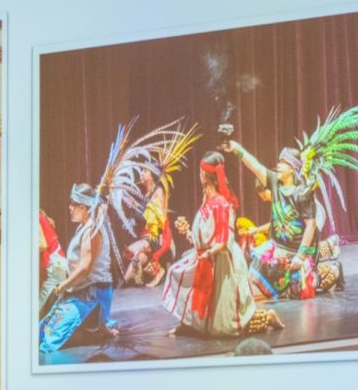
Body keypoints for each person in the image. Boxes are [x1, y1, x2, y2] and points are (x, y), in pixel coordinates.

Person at [162, 152, 282, 337]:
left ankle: (267, 318)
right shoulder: (207, 200)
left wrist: (209, 252)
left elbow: (224, 240)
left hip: (222, 263)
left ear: (204, 175)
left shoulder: (221, 203)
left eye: (200, 172)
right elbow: (207, 231)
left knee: (226, 325)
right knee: (182, 279)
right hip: (207, 257)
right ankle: (189, 326)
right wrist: (190, 234)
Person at [223, 140, 341, 297]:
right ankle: (327, 247)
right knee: (256, 276)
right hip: (278, 247)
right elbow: (255, 166)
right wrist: (237, 149)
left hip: (298, 251)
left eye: (282, 163)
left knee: (299, 290)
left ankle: (329, 270)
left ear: (292, 169)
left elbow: (311, 226)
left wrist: (300, 256)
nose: (278, 165)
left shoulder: (302, 193)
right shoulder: (274, 182)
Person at [38, 184, 118, 353]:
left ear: (83, 207)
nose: (69, 207)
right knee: (42, 330)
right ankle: (98, 325)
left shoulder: (92, 229)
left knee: (50, 340)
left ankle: (97, 328)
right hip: (82, 291)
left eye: (73, 204)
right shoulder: (86, 225)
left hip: (93, 294)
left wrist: (63, 285)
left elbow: (84, 267)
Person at [123, 166, 174, 287]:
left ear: (152, 175)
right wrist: (134, 207)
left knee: (130, 251)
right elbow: (139, 219)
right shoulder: (143, 196)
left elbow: (158, 218)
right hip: (145, 239)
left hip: (156, 237)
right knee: (134, 260)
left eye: (145, 171)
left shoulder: (158, 191)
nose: (142, 173)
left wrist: (138, 208)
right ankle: (152, 272)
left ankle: (158, 269)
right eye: (142, 171)